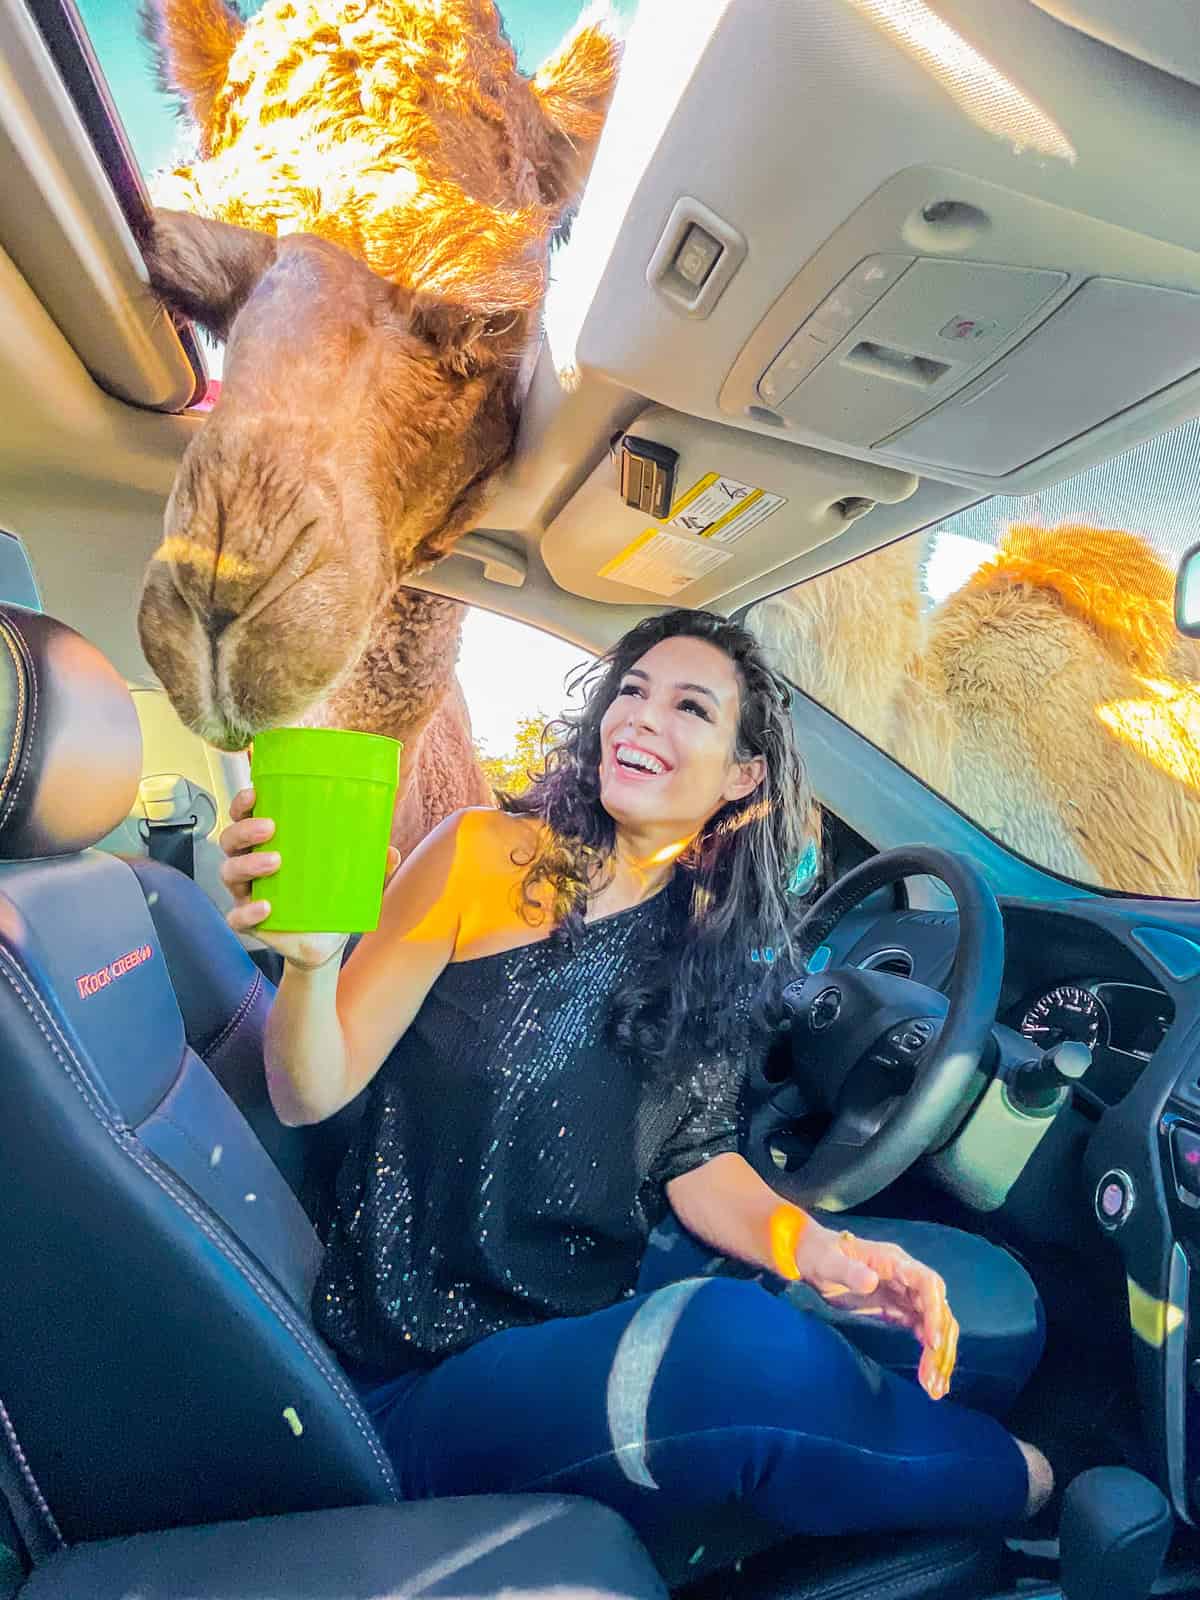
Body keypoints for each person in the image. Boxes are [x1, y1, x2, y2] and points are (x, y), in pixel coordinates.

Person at [220, 609, 1052, 1545]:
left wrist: (815, 1250)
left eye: (690, 705)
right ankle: (1032, 1492)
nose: (640, 718)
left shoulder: (706, 936)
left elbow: (693, 1158)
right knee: (732, 1348)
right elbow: (308, 1091)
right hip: (415, 1363)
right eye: (631, 691)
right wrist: (309, 965)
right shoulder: (476, 855)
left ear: (743, 778)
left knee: (908, 1332)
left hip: (578, 1317)